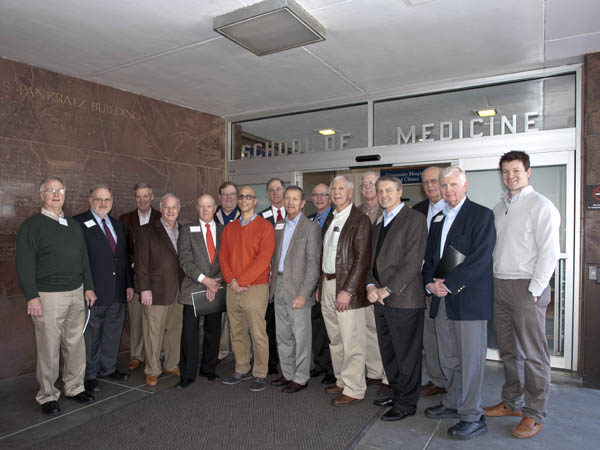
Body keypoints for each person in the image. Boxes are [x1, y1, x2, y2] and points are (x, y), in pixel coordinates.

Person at [483, 151, 560, 439]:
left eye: (515, 171)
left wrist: (535, 290)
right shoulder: (499, 208)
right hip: (499, 286)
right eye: (505, 171)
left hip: (527, 287)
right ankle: (512, 402)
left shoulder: (541, 206)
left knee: (533, 355)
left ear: (528, 172)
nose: (510, 176)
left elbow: (549, 252)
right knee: (509, 351)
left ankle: (535, 413)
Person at [422, 166, 496, 440]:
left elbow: (480, 259)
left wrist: (449, 285)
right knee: (448, 357)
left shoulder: (481, 215)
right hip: (441, 300)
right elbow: (430, 258)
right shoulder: (439, 218)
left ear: (465, 186)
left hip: (467, 301)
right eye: (444, 186)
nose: (448, 190)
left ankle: (473, 415)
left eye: (454, 185)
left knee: (470, 361)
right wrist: (430, 283)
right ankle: (454, 403)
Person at [16, 177, 97, 415]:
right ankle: (47, 395)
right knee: (48, 347)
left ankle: (74, 386)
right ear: (42, 195)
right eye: (50, 190)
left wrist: (89, 287)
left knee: (75, 343)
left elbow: (84, 258)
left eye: (59, 190)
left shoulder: (73, 225)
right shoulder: (32, 226)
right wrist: (31, 296)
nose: (55, 194)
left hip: (76, 292)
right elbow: (24, 264)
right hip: (48, 295)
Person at [366, 176, 428, 421]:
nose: (383, 195)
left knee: (406, 355)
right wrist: (370, 285)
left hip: (404, 300)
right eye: (380, 191)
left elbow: (413, 261)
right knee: (389, 352)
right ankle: (397, 391)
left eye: (388, 190)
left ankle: (407, 403)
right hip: (380, 300)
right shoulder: (379, 224)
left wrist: (387, 289)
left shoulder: (414, 219)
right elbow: (371, 261)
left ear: (400, 192)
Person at [74, 185, 133, 393]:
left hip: (117, 290)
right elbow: (78, 260)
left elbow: (123, 258)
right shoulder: (78, 223)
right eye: (98, 199)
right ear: (90, 200)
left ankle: (108, 368)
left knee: (112, 332)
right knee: (91, 334)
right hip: (94, 291)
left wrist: (128, 284)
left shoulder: (117, 225)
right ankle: (89, 374)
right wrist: (85, 287)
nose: (103, 203)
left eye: (107, 200)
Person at [320, 175, 372, 407]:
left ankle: (354, 388)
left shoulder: (359, 219)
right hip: (327, 284)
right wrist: (320, 285)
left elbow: (362, 260)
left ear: (351, 193)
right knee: (335, 339)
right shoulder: (331, 216)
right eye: (334, 188)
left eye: (342, 188)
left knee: (352, 340)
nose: (337, 192)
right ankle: (342, 380)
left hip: (345, 288)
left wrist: (347, 290)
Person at [220, 186, 275, 392]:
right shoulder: (230, 228)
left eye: (248, 197)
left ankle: (260, 373)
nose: (243, 200)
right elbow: (223, 257)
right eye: (241, 196)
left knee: (258, 332)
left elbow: (263, 260)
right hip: (232, 287)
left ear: (255, 202)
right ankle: (241, 367)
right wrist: (232, 280)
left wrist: (241, 280)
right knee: (237, 330)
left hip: (255, 287)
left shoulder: (265, 227)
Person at [270, 186, 322, 393]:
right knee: (282, 335)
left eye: (295, 199)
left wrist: (304, 293)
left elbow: (313, 264)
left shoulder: (311, 228)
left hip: (299, 288)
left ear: (302, 203)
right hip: (279, 285)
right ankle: (288, 373)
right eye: (287, 199)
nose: (290, 202)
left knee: (301, 336)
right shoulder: (279, 225)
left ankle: (301, 377)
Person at [135, 194, 184, 386]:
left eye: (174, 207)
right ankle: (153, 369)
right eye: (167, 207)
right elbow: (141, 264)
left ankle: (171, 364)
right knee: (153, 333)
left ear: (179, 210)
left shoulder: (184, 230)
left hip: (179, 291)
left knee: (175, 331)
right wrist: (144, 289)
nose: (171, 211)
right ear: (161, 209)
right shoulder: (146, 231)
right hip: (155, 291)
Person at [177, 194, 224, 389]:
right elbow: (184, 261)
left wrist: (216, 282)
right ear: (197, 208)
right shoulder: (187, 230)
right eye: (202, 206)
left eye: (209, 206)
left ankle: (209, 369)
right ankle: (187, 374)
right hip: (193, 286)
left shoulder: (224, 230)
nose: (205, 210)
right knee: (190, 334)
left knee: (213, 331)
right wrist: (205, 281)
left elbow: (228, 259)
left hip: (217, 285)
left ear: (215, 208)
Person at [412, 166, 447, 397]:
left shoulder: (456, 208)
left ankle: (451, 381)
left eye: (435, 181)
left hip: (445, 284)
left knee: (447, 337)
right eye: (426, 182)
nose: (430, 186)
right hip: (421, 282)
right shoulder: (417, 211)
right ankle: (436, 379)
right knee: (429, 335)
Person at [119, 183, 161, 371]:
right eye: (138, 196)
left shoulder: (162, 217)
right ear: (135, 198)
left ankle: (156, 353)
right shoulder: (125, 219)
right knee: (136, 317)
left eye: (146, 196)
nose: (142, 200)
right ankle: (136, 354)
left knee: (155, 319)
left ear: (152, 197)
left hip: (158, 277)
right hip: (135, 276)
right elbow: (121, 250)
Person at [358, 171, 387, 389]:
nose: (367, 187)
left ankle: (388, 376)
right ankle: (375, 371)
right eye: (364, 183)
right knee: (369, 327)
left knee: (385, 329)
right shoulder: (356, 213)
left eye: (372, 183)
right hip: (362, 279)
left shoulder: (388, 211)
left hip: (383, 280)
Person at [307, 183, 336, 385]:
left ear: (330, 197)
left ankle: (333, 369)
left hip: (329, 280)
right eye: (315, 195)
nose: (319, 198)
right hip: (312, 280)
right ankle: (320, 363)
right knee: (316, 325)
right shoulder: (309, 219)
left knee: (332, 329)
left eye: (323, 195)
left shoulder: (337, 217)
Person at [259, 177, 286, 375]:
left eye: (278, 189)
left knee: (287, 323)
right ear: (268, 194)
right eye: (272, 190)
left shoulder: (294, 214)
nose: (276, 193)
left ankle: (288, 363)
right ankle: (271, 363)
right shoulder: (261, 217)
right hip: (267, 279)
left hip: (287, 277)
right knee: (269, 324)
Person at [213, 181, 239, 364]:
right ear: (219, 197)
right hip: (217, 274)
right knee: (220, 317)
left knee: (239, 317)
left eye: (232, 194)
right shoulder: (210, 217)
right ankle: (221, 351)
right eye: (225, 194)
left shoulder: (245, 217)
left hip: (240, 275)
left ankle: (241, 354)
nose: (229, 198)